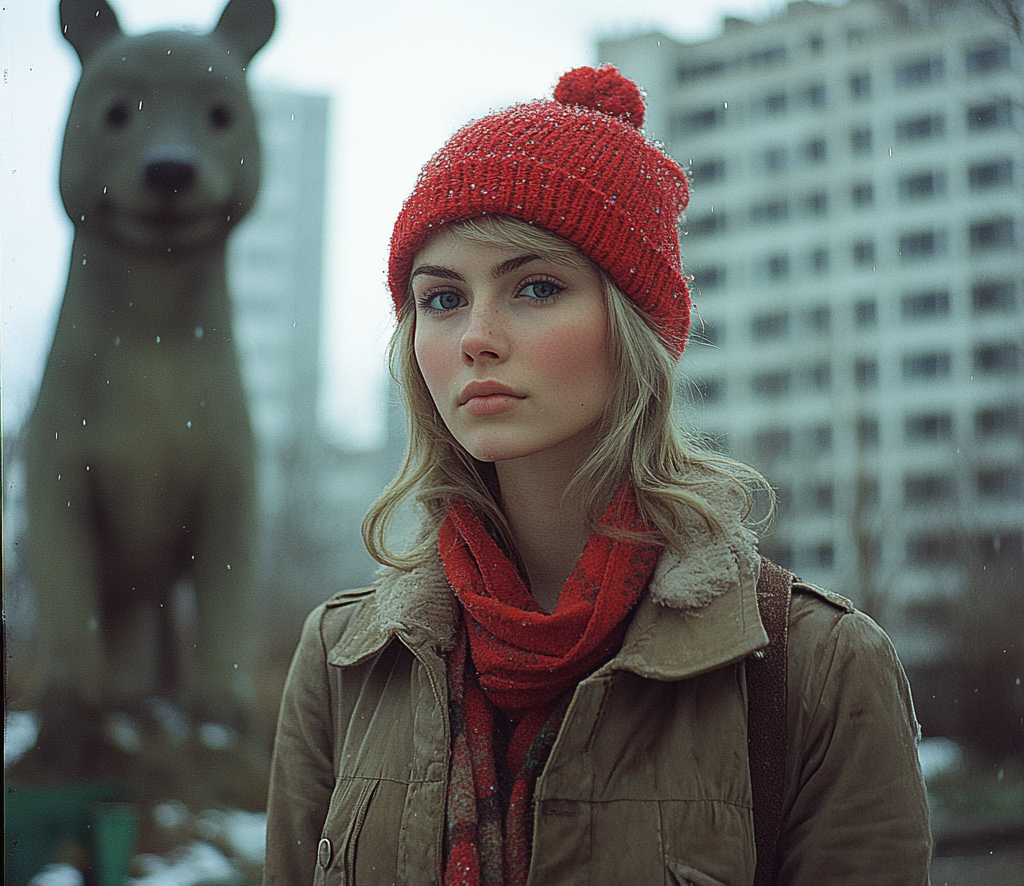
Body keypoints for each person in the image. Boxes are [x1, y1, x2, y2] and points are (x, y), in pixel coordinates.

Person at [264, 66, 932, 885]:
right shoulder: (343, 664)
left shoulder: (817, 671)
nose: (476, 336)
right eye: (440, 299)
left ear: (634, 327)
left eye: (536, 287)